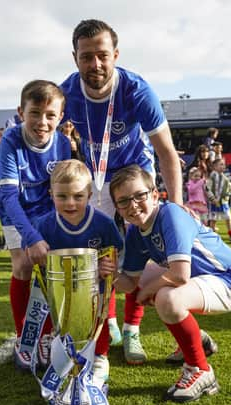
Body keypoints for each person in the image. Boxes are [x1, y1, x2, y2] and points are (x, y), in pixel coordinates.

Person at [60, 19, 183, 364]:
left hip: (134, 174)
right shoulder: (66, 92)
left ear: (115, 55)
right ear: (75, 58)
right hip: (96, 178)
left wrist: (176, 205)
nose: (95, 64)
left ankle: (132, 329)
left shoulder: (137, 91)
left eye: (102, 55)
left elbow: (167, 153)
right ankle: (108, 320)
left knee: (138, 250)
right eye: (87, 57)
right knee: (99, 251)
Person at [109, 164, 231, 402]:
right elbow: (130, 283)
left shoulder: (170, 214)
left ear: (155, 195)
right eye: (123, 201)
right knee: (149, 280)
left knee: (167, 297)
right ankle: (199, 341)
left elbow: (179, 276)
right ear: (117, 207)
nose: (132, 205)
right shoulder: (135, 232)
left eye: (139, 196)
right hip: (204, 281)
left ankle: (200, 370)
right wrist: (107, 273)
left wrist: (148, 291)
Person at [0, 79, 70, 368]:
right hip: (14, 208)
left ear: (60, 117)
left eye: (50, 115)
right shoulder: (12, 140)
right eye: (35, 113)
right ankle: (24, 336)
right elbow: (10, 196)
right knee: (23, 265)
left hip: (46, 208)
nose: (42, 121)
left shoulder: (62, 143)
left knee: (50, 268)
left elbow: (61, 188)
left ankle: (48, 335)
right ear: (20, 112)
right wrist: (31, 237)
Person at [28, 159, 123, 384]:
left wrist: (108, 267)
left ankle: (100, 357)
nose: (70, 203)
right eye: (62, 196)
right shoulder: (43, 225)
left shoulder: (103, 224)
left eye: (78, 196)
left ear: (89, 195)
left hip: (93, 289)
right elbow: (33, 254)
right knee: (57, 317)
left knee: (95, 321)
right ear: (51, 194)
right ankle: (57, 349)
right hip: (58, 290)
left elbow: (115, 252)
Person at [208, 158, 231, 242]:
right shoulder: (212, 176)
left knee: (228, 218)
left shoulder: (224, 177)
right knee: (213, 219)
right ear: (214, 167)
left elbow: (230, 186)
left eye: (223, 164)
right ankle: (211, 235)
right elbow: (207, 188)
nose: (223, 166)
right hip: (215, 202)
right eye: (220, 164)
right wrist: (212, 198)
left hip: (223, 201)